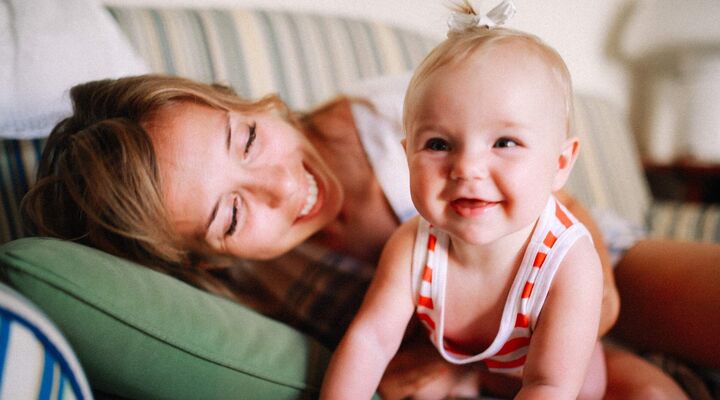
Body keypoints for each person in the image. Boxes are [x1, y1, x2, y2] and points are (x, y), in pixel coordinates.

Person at [21, 15, 715, 400]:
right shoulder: (257, 289)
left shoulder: (397, 112)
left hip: (591, 265)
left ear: (254, 104)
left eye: (252, 140)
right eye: (232, 216)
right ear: (204, 255)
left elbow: (594, 291)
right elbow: (371, 346)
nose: (284, 190)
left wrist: (464, 366)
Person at [321, 3, 608, 398]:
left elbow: (549, 384)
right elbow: (370, 341)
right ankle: (468, 377)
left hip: (556, 379)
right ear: (407, 157)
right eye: (438, 144)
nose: (467, 168)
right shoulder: (412, 246)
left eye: (504, 142)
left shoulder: (570, 263)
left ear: (560, 164)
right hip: (474, 364)